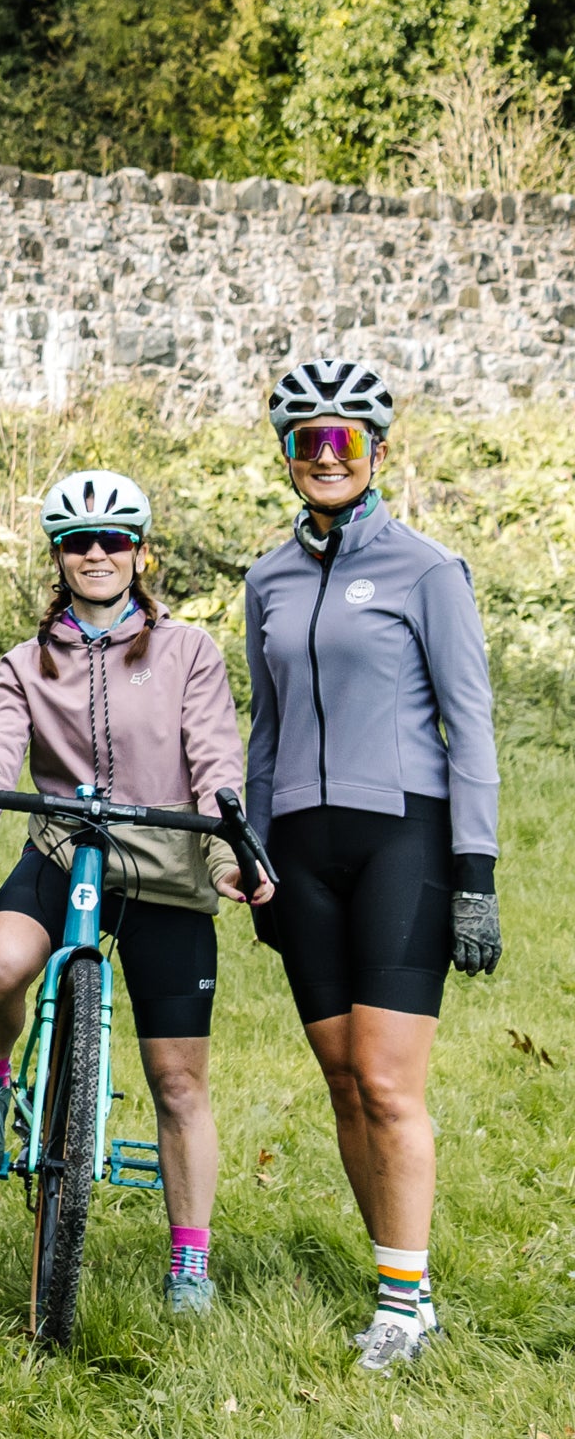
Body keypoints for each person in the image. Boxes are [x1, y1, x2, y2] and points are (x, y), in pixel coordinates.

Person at [0, 469, 261, 1314]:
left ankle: (190, 1259)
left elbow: (216, 759)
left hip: (166, 870)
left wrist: (227, 854)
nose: (97, 554)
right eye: (79, 542)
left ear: (140, 552)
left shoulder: (188, 651)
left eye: (114, 539)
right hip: (62, 851)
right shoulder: (25, 662)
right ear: (59, 557)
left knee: (178, 1083)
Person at [239, 358, 500, 1370]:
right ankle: (406, 1281)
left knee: (389, 1083)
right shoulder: (267, 578)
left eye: (344, 438)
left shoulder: (427, 570)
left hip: (403, 837)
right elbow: (266, 732)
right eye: (306, 439)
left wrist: (475, 874)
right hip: (301, 852)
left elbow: (471, 729)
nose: (325, 455)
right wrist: (256, 852)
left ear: (378, 452)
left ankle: (400, 1311)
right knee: (345, 1080)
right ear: (287, 455)